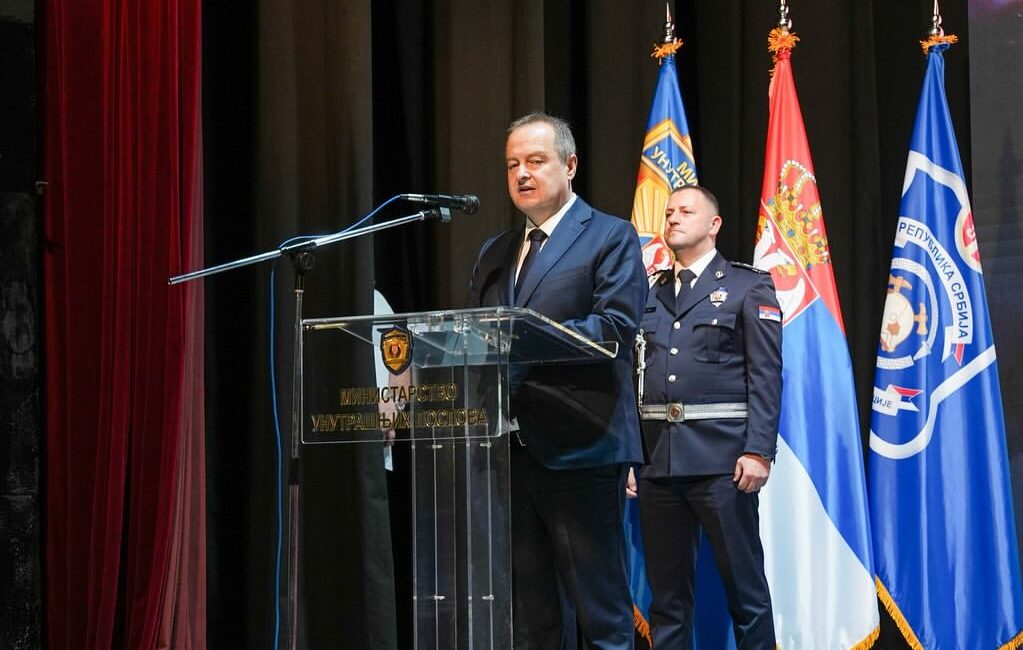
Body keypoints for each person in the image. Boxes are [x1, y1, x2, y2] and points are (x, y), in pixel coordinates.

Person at [466, 112, 647, 650]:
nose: (522, 174)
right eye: (512, 165)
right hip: (509, 451)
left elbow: (614, 328)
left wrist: (521, 335)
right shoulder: (494, 252)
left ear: (570, 165)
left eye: (535, 161)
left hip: (581, 450)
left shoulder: (610, 237)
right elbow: (476, 336)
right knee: (533, 617)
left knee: (603, 615)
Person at [633, 185, 782, 649]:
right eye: (669, 211)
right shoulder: (646, 291)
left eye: (686, 211)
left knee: (746, 592)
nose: (673, 218)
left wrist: (758, 450)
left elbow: (766, 375)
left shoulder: (746, 285)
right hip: (658, 462)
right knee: (668, 601)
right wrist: (630, 455)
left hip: (723, 462)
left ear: (714, 225)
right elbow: (630, 380)